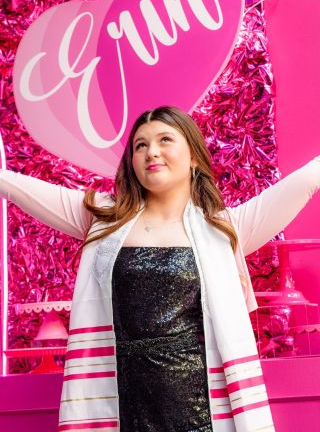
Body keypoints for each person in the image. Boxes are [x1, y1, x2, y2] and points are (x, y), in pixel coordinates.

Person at [1, 105, 320, 432]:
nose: (151, 151)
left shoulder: (223, 228)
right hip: (122, 403)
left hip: (200, 409)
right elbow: (12, 185)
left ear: (194, 157)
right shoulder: (104, 218)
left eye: (165, 139)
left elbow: (310, 177)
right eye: (141, 145)